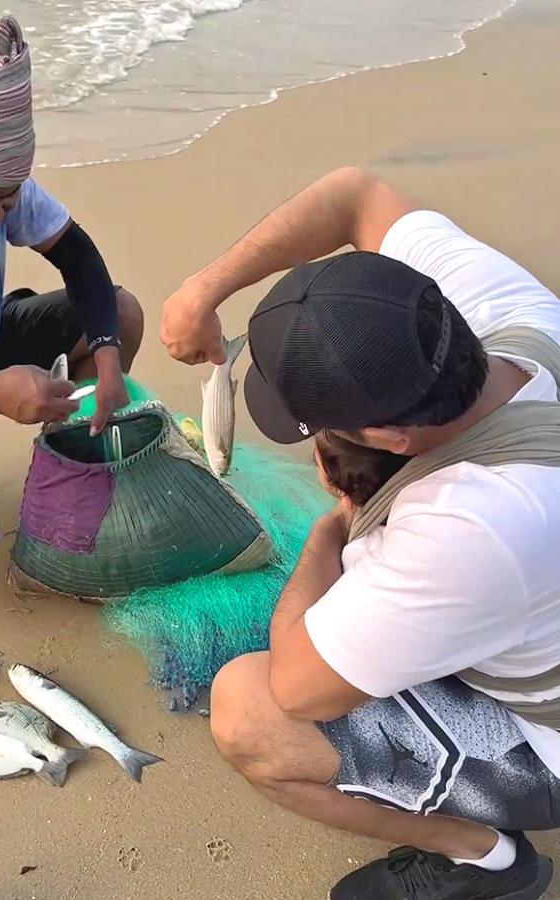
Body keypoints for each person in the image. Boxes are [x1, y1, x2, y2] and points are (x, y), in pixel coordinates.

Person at [162, 166, 560, 899]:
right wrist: (204, 292)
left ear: (390, 435)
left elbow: (299, 688)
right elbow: (355, 194)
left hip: (545, 734)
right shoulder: (507, 311)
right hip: (526, 597)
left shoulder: (468, 528)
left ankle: (488, 861)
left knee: (248, 711)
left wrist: (334, 534)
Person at [0, 17, 143, 593]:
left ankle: (64, 455)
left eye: (7, 199)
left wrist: (105, 358)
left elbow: (80, 259)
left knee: (119, 317)